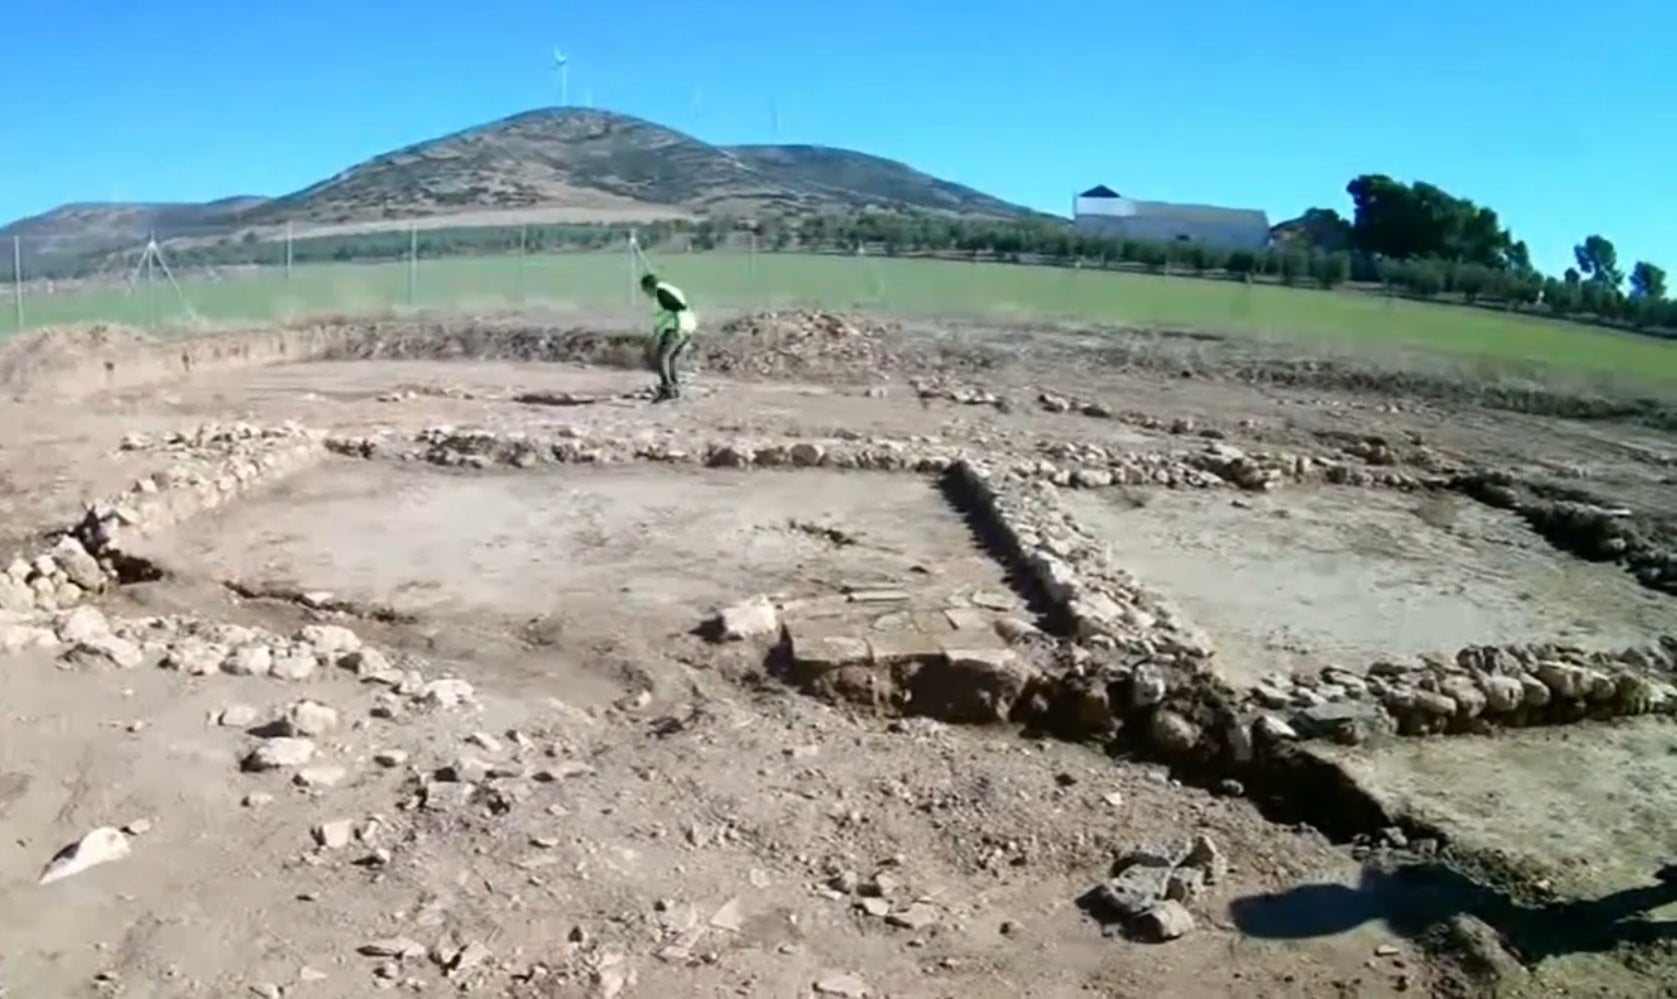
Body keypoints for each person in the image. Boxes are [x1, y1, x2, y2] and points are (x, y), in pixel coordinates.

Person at [640, 272, 696, 402]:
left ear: (649, 287)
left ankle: (667, 390)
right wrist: (656, 333)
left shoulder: (661, 292)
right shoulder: (668, 290)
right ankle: (674, 388)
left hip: (676, 328)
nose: (647, 294)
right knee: (671, 358)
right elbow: (668, 313)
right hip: (687, 326)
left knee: (662, 358)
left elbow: (678, 309)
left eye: (645, 290)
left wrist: (677, 330)